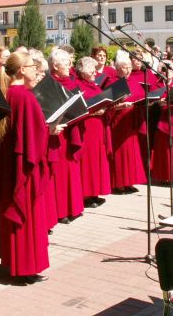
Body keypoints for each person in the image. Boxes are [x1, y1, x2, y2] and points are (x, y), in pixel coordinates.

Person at [0, 52, 58, 284]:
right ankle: (26, 267)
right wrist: (50, 130)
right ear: (21, 70)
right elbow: (33, 139)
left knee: (15, 217)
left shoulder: (6, 94)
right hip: (25, 170)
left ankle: (17, 265)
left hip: (10, 165)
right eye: (32, 66)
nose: (36, 70)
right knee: (28, 217)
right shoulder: (25, 97)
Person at [48, 49, 84, 223]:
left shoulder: (71, 82)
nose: (69, 64)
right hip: (58, 133)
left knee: (71, 170)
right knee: (61, 173)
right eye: (65, 62)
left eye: (69, 61)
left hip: (72, 131)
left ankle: (73, 207)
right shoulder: (50, 84)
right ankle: (61, 211)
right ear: (55, 65)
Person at [106, 53, 147, 194]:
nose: (128, 70)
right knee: (120, 153)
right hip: (118, 123)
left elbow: (141, 97)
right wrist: (120, 107)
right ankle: (118, 184)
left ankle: (129, 181)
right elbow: (107, 106)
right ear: (117, 69)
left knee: (132, 153)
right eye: (125, 67)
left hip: (132, 121)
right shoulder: (112, 82)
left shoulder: (134, 81)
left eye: (129, 67)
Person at [75, 56, 112, 208]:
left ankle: (95, 193)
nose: (95, 73)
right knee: (88, 163)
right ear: (82, 72)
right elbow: (78, 109)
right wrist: (92, 113)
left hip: (98, 127)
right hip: (87, 128)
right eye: (92, 70)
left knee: (97, 161)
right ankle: (86, 196)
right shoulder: (78, 86)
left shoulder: (94, 85)